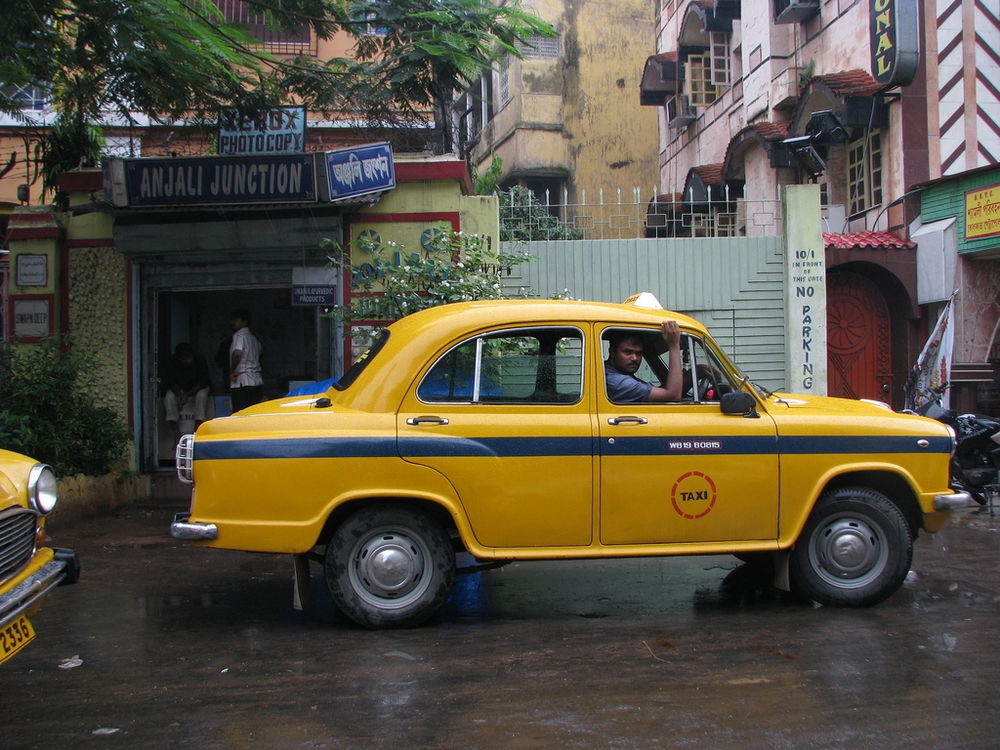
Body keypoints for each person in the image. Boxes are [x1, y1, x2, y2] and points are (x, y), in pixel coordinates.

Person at [604, 320, 682, 402]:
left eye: (638, 353)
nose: (634, 358)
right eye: (628, 352)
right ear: (612, 352)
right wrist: (674, 345)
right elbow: (673, 396)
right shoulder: (618, 382)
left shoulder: (609, 372)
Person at [162, 342, 211, 438]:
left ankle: (197, 428)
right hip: (180, 389)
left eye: (188, 358)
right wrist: (180, 393)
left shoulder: (200, 359)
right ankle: (176, 432)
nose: (186, 361)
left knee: (201, 396)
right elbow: (170, 381)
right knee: (169, 397)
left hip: (198, 388)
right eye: (183, 359)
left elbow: (203, 382)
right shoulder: (172, 362)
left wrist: (187, 395)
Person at [229, 308, 263, 411]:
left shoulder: (239, 335)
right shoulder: (254, 338)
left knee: (240, 413)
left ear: (244, 322)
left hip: (242, 381)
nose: (232, 322)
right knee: (253, 412)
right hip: (256, 381)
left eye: (236, 320)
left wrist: (232, 371)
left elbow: (237, 353)